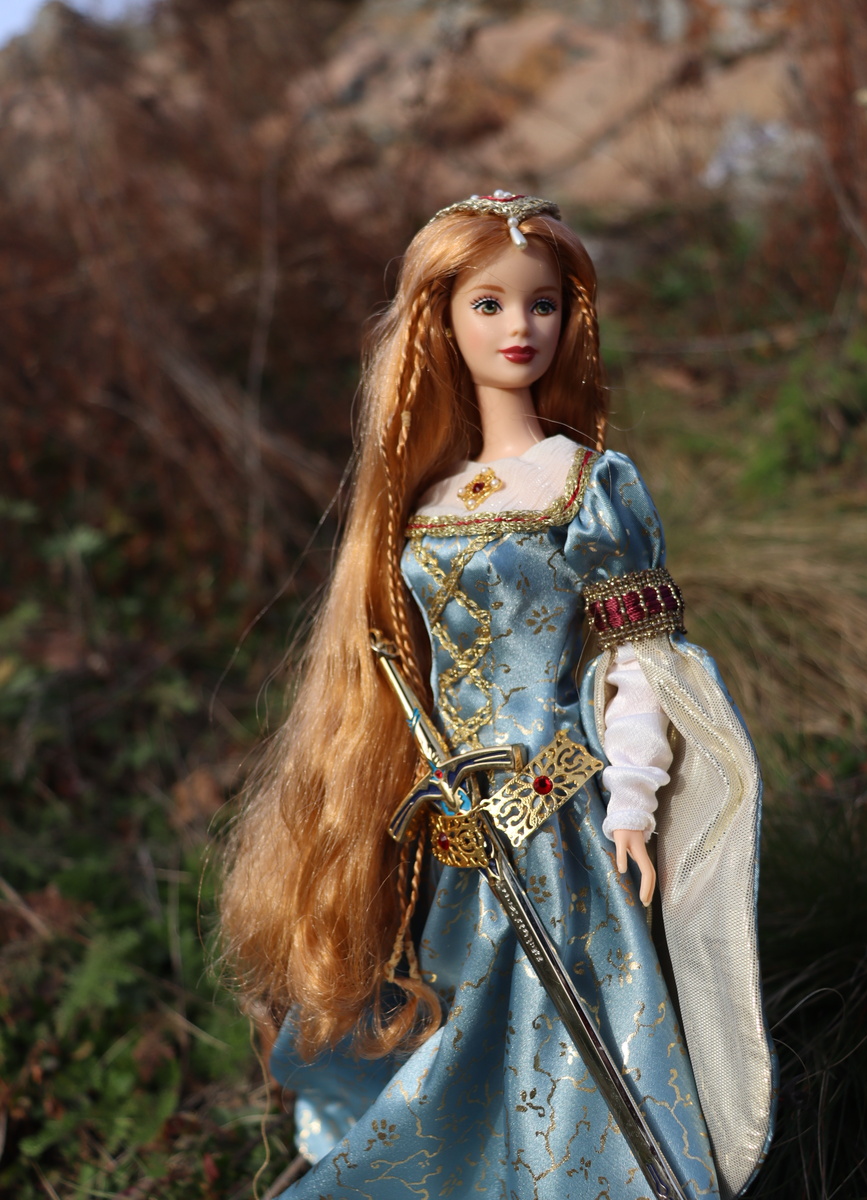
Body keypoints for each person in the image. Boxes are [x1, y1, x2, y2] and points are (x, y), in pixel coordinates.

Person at [220, 193, 775, 1199]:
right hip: (457, 825)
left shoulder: (587, 484)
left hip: (561, 809)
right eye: (489, 304)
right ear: (440, 320)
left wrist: (633, 797)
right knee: (466, 1011)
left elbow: (641, 659)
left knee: (574, 1022)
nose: (519, 327)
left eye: (542, 304)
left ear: (571, 318)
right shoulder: (423, 499)